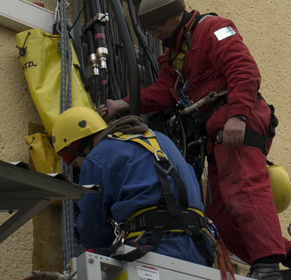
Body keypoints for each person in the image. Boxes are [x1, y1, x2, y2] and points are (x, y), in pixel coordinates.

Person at [99, 0, 291, 280]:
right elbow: (165, 92)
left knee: (245, 189)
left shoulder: (214, 29)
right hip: (216, 131)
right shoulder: (175, 56)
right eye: (150, 28)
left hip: (238, 119)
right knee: (219, 218)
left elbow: (245, 70)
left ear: (174, 16)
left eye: (156, 25)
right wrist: (124, 104)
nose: (153, 33)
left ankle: (267, 265)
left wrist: (238, 115)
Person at [52, 105, 214, 266]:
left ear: (78, 146)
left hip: (152, 250)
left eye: (76, 164)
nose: (80, 169)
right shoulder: (162, 139)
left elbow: (93, 230)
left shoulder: (96, 158)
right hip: (199, 249)